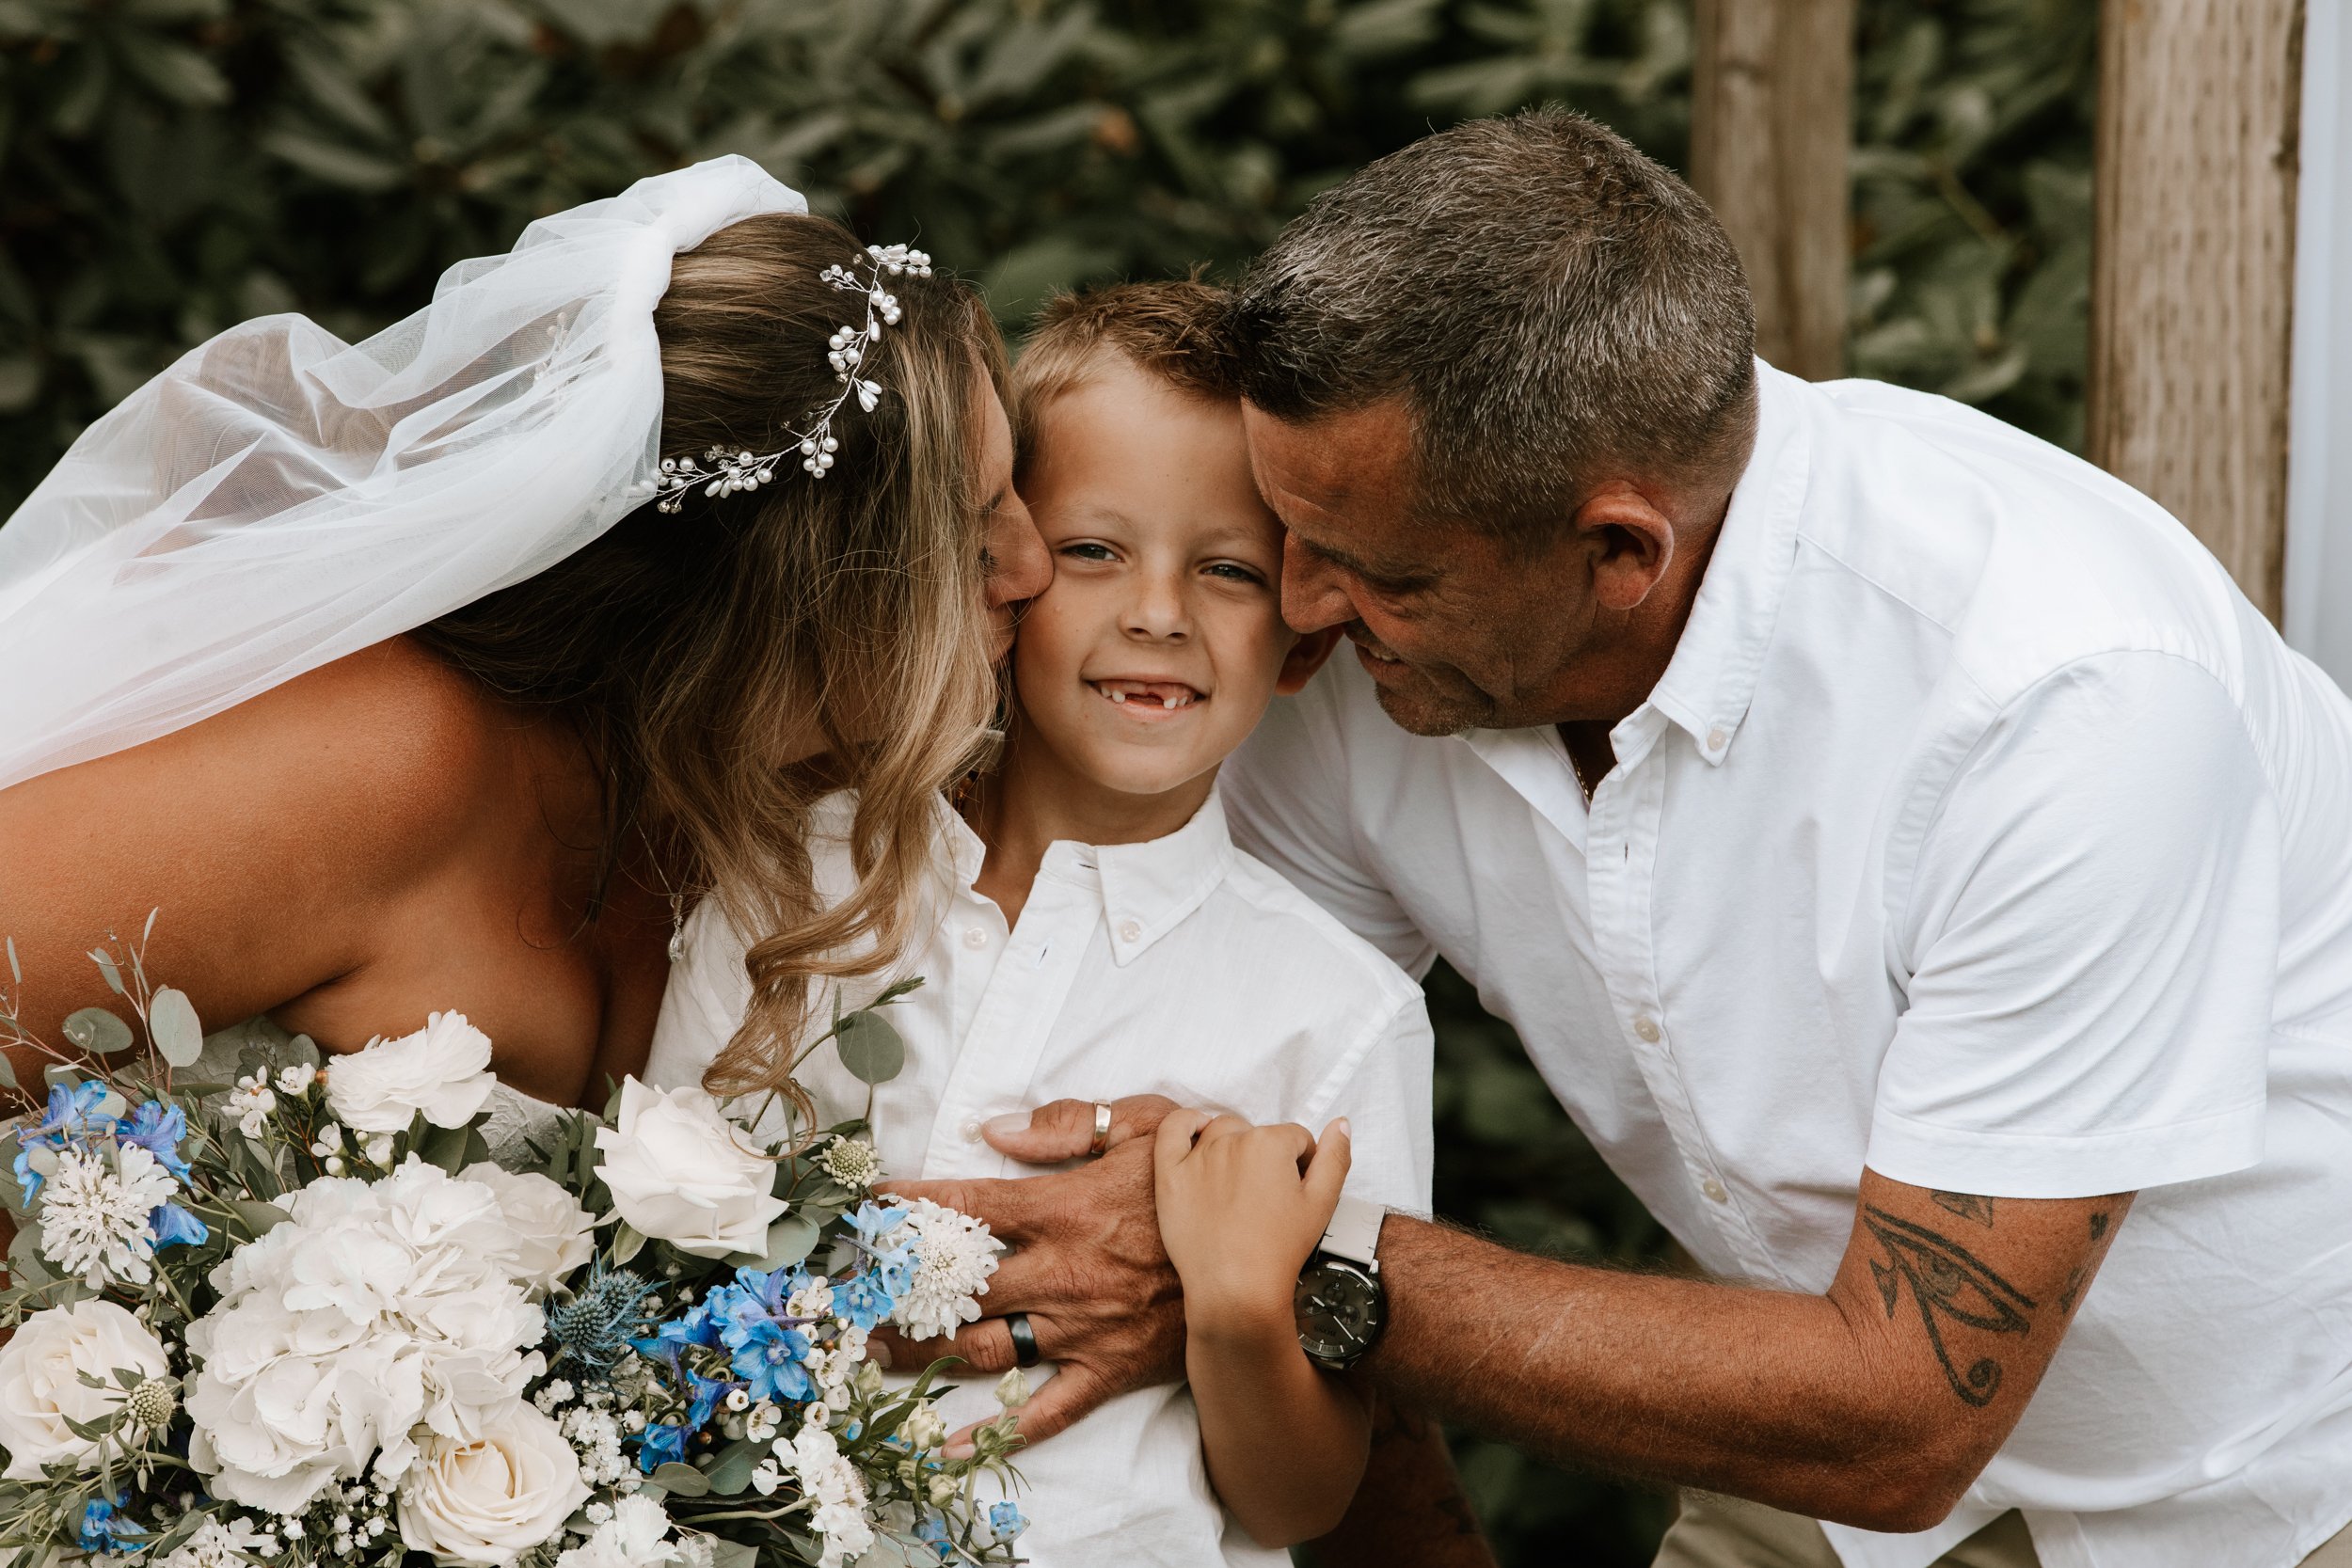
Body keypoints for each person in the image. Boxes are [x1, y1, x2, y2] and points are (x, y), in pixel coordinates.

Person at [885, 111, 2352, 1568]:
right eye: (1286, 537)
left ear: (1617, 555)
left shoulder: (2060, 703)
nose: (1302, 611)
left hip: (2259, 1472)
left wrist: (1266, 1252)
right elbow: (1227, 1077)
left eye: (1373, 573)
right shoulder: (1355, 630)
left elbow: (1900, 1408)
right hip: (1818, 1476)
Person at [646, 282, 1463, 1565]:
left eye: (1229, 568)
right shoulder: (792, 878)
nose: (1159, 611)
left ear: (1301, 640)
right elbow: (654, 1238)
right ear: (1008, 570)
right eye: (1095, 549)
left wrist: (1240, 1311)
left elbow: (1305, 1496)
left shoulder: (1341, 1010)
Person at [0, 157, 1048, 1113]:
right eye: (965, 537)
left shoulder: (750, 804)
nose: (1033, 568)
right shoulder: (381, 765)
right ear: (773, 601)